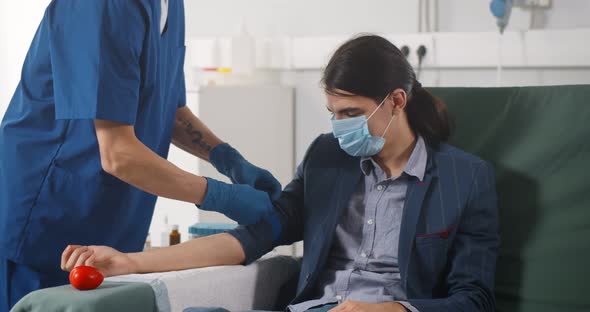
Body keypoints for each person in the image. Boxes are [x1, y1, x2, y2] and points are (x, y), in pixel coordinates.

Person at [61, 35, 499, 312]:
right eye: (333, 113)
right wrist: (128, 262)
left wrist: (395, 310)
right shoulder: (327, 159)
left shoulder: (465, 179)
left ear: (397, 101)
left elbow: (474, 299)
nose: (338, 127)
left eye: (351, 113)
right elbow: (249, 240)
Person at [0, 1, 281, 310]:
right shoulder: (99, 6)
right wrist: (221, 196)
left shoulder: (169, 5)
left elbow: (166, 107)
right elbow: (118, 154)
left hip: (111, 215)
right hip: (44, 215)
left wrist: (226, 158)